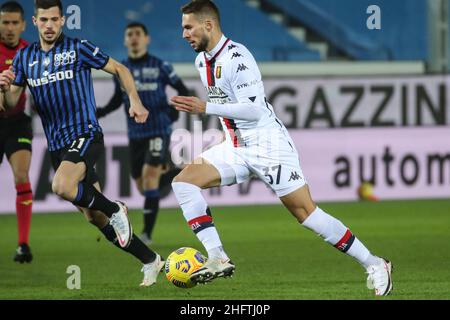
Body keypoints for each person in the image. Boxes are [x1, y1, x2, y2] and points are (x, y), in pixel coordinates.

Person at [170, 0, 393, 296]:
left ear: (208, 24)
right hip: (236, 146)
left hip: (268, 146)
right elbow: (229, 108)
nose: (184, 33)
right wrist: (224, 129)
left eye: (188, 27)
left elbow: (254, 111)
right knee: (184, 183)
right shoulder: (202, 62)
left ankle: (375, 263)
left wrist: (205, 107)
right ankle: (217, 256)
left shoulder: (238, 58)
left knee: (307, 214)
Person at [0, 0, 164, 286]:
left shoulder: (79, 48)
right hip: (57, 146)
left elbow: (121, 69)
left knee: (61, 186)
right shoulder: (24, 58)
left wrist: (135, 101)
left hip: (85, 134)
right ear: (36, 22)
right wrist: (3, 89)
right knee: (94, 218)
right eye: (44, 20)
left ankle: (116, 209)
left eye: (54, 19)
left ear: (63, 20)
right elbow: (12, 103)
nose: (49, 25)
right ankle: (150, 259)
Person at [97, 22, 188, 245]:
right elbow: (118, 100)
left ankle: (147, 234)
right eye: (130, 34)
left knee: (149, 179)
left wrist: (173, 110)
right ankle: (181, 171)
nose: (134, 38)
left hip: (159, 129)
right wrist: (101, 112)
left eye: (138, 34)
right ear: (125, 40)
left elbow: (183, 90)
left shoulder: (161, 66)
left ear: (147, 39)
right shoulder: (120, 69)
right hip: (135, 133)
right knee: (142, 185)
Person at [0, 1, 33, 263]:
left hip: (17, 122)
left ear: (23, 24)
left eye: (14, 23)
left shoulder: (29, 52)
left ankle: (23, 245)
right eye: (5, 22)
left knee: (22, 177)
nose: (10, 28)